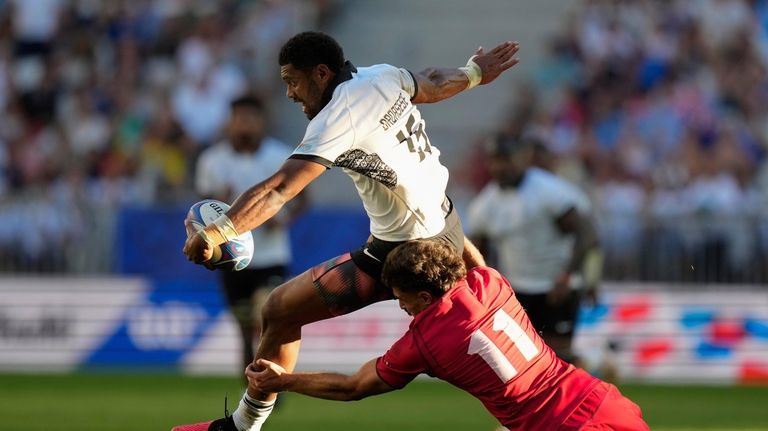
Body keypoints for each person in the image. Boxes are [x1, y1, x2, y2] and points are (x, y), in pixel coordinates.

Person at [174, 31, 519, 431]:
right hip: (446, 225)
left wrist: (218, 232)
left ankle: (242, 427)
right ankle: (534, 402)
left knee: (281, 312)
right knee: (479, 338)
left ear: (321, 73)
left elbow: (280, 188)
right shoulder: (381, 75)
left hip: (407, 254)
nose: (289, 93)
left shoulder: (338, 115)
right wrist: (474, 72)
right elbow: (434, 81)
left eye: (292, 80)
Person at [248, 240, 649, 431]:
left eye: (403, 300)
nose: (401, 307)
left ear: (424, 294)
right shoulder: (488, 282)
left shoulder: (425, 342)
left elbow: (353, 387)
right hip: (603, 401)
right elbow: (466, 251)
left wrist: (285, 381)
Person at [194, 94, 308, 377]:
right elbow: (201, 205)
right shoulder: (211, 160)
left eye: (250, 119)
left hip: (271, 254)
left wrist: (284, 220)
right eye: (239, 119)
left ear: (261, 122)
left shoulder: (279, 156)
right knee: (244, 328)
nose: (244, 125)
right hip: (230, 258)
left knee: (268, 318)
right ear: (230, 123)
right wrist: (216, 202)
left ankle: (271, 378)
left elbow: (304, 198)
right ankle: (254, 382)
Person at [467, 133, 603, 365]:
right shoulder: (484, 205)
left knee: (559, 358)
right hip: (517, 290)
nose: (500, 166)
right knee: (525, 361)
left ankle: (593, 370)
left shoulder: (549, 192)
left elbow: (587, 234)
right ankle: (597, 363)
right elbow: (478, 254)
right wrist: (486, 290)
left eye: (506, 159)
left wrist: (569, 276)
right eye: (494, 160)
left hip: (556, 287)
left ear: (522, 159)